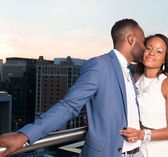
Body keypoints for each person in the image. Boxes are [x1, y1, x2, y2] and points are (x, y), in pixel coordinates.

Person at [0, 18, 145, 157]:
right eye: (143, 41)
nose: (145, 47)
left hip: (137, 152)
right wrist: (26, 135)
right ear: (131, 39)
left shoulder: (128, 71)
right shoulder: (100, 65)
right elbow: (69, 105)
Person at [120, 34, 168, 157]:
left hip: (158, 151)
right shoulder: (135, 79)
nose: (152, 53)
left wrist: (141, 134)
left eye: (159, 51)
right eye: (148, 48)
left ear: (165, 59)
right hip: (133, 149)